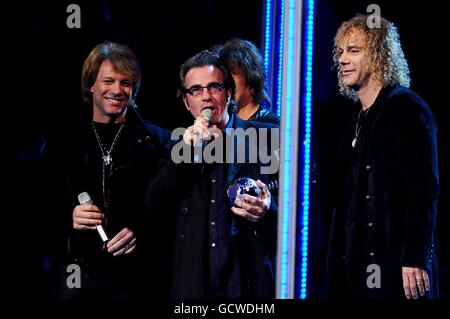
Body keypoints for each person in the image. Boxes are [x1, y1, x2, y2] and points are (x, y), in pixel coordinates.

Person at [146, 50, 279, 298]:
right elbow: (154, 205)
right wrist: (188, 151)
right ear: (187, 102)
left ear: (228, 93)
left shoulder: (268, 138)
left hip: (247, 282)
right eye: (195, 90)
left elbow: (301, 207)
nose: (206, 97)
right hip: (194, 286)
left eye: (214, 87)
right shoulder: (175, 145)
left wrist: (268, 207)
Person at [327, 14, 440, 299]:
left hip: (395, 269)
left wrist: (415, 257)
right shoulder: (355, 119)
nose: (342, 59)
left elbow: (423, 190)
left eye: (354, 50)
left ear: (378, 56)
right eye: (341, 51)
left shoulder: (404, 107)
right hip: (357, 269)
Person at [46, 41, 170, 299]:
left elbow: (172, 205)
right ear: (91, 85)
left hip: (135, 273)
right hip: (76, 270)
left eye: (125, 83)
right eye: (108, 81)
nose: (117, 90)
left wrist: (142, 230)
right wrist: (68, 216)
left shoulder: (156, 141)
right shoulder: (64, 141)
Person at [212, 38, 280, 124]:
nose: (225, 83)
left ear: (252, 82)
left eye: (232, 75)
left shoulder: (273, 126)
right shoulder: (216, 126)